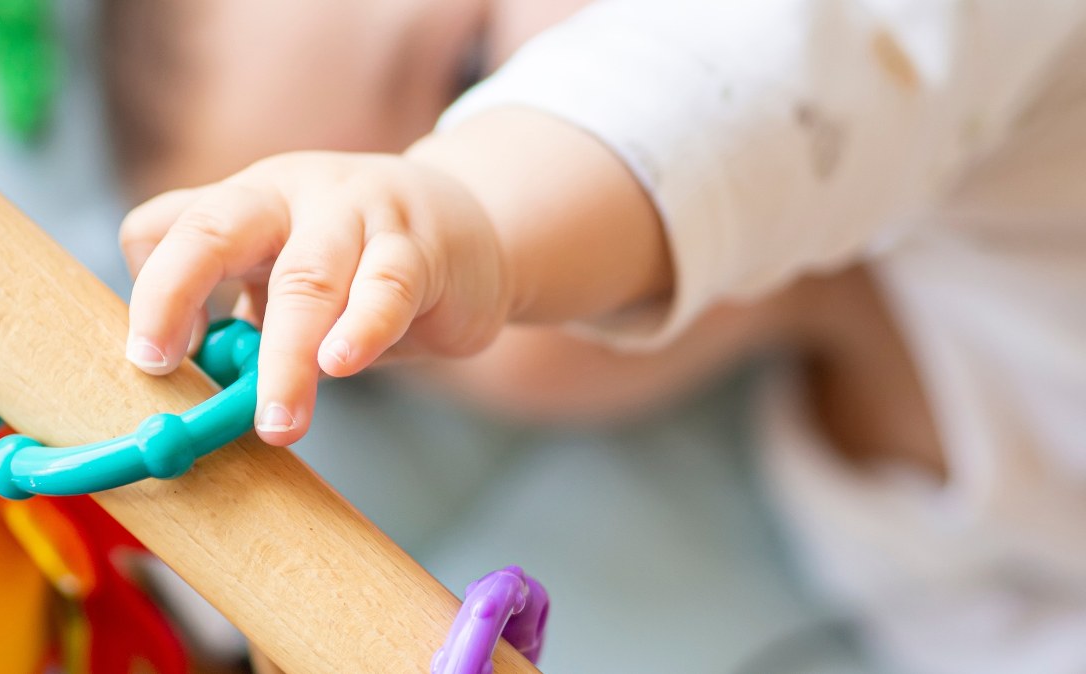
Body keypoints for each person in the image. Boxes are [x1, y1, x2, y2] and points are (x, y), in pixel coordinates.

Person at [105, 1, 1086, 671]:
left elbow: (758, 60)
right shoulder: (882, 533)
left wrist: (473, 203)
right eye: (351, 309)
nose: (400, 255)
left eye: (468, 72)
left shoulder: (963, 78)